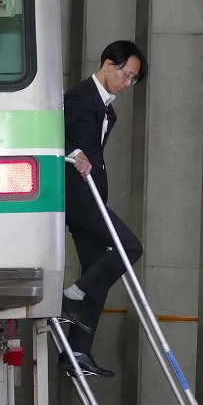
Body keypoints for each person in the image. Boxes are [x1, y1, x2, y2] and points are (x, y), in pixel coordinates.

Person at [60, 39, 146, 377]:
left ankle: (76, 352)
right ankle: (72, 296)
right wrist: (74, 153)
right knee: (130, 247)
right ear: (108, 64)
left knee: (98, 273)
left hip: (91, 196)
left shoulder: (105, 106)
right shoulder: (81, 96)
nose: (128, 83)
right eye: (126, 75)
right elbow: (50, 130)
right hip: (78, 197)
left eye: (133, 79)